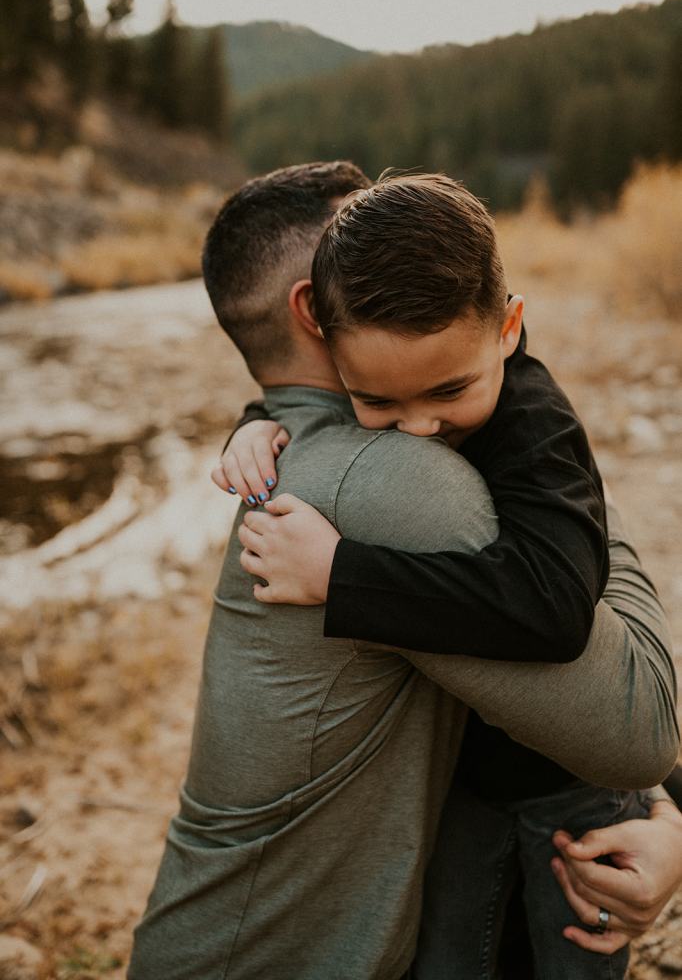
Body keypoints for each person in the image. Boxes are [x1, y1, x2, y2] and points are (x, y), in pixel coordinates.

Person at [127, 163, 680, 980]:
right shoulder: (400, 481)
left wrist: (664, 819)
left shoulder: (312, 453)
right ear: (320, 310)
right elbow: (637, 718)